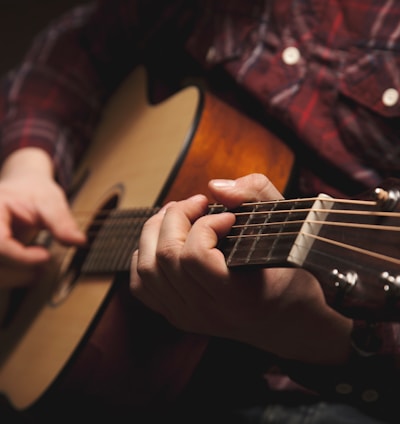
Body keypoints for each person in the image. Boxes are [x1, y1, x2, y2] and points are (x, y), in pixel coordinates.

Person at [0, 0, 399, 422]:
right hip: (102, 354)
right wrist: (25, 168)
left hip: (305, 383)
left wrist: (311, 327)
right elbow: (76, 44)